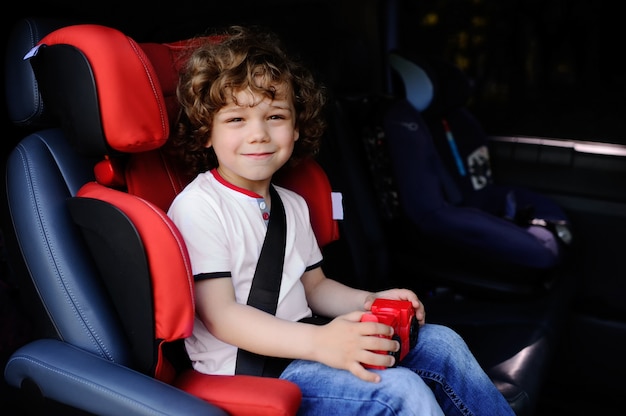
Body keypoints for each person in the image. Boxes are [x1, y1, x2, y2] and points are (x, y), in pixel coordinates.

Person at [167, 24, 515, 416]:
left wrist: (370, 301)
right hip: (255, 372)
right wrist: (320, 344)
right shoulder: (200, 206)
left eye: (275, 116)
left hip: (309, 346)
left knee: (441, 343)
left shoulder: (291, 204)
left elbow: (315, 287)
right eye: (236, 120)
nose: (259, 134)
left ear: (296, 128)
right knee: (397, 391)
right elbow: (222, 316)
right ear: (206, 133)